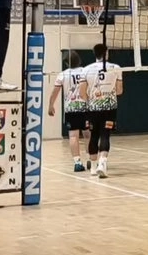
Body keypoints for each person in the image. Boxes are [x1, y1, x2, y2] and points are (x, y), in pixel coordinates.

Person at [80, 43, 124, 178]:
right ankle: (102, 163)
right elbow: (119, 91)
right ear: (106, 53)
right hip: (109, 108)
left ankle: (93, 168)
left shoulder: (86, 70)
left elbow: (82, 93)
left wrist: (91, 101)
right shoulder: (116, 68)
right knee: (105, 135)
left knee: (93, 136)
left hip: (93, 108)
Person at [46, 51, 91, 172]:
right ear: (79, 60)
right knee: (88, 134)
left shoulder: (63, 74)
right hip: (85, 107)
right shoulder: (86, 71)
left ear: (66, 63)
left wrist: (51, 105)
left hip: (71, 108)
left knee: (73, 136)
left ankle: (77, 162)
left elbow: (55, 92)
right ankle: (90, 159)